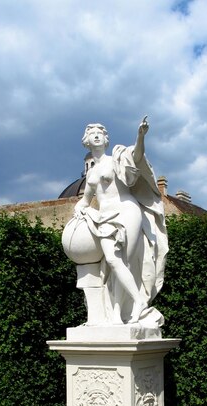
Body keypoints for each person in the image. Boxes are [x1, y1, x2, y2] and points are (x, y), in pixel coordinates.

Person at [63, 117, 168, 327]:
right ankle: (118, 314)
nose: (96, 135)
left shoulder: (117, 158)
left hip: (127, 210)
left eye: (100, 133)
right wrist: (80, 210)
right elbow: (84, 201)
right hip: (105, 217)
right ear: (86, 141)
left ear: (106, 139)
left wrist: (140, 136)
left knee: (121, 261)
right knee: (112, 263)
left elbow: (137, 157)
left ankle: (134, 304)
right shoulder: (91, 174)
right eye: (92, 133)